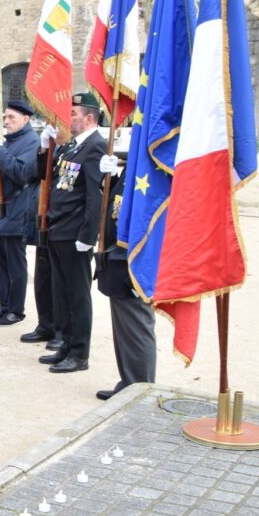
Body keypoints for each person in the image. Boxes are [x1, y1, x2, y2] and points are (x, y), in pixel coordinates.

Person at [36, 92, 106, 374]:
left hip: (74, 233)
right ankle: (64, 343)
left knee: (77, 295)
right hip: (57, 228)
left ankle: (79, 353)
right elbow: (46, 176)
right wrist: (44, 148)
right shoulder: (70, 147)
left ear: (89, 118)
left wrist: (88, 236)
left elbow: (94, 196)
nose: (68, 118)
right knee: (61, 293)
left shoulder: (95, 147)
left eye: (73, 113)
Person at [94, 155, 155, 400]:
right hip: (118, 253)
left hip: (135, 256)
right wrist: (111, 178)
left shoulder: (153, 157)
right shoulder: (139, 158)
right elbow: (119, 198)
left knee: (136, 326)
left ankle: (140, 388)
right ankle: (130, 382)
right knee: (124, 328)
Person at [0, 100, 40, 327]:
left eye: (11, 118)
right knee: (0, 264)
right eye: (5, 117)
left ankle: (16, 309)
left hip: (16, 210)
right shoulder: (7, 142)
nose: (6, 122)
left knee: (15, 265)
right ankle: (4, 305)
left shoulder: (31, 142)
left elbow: (21, 172)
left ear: (25, 119)